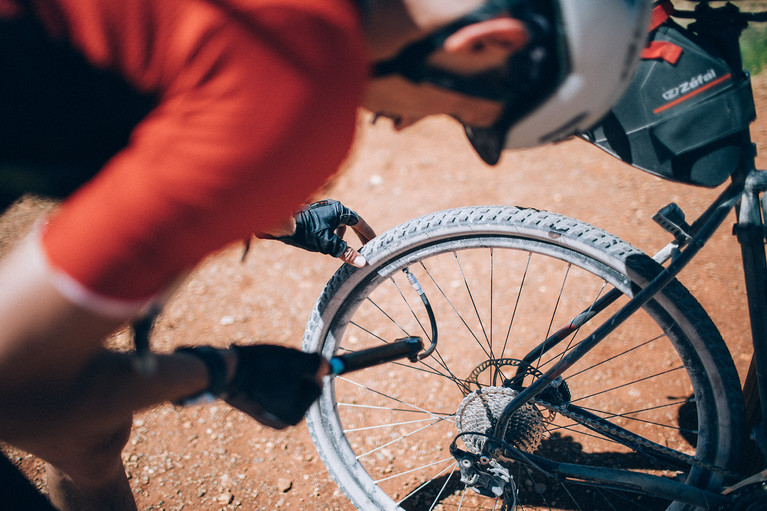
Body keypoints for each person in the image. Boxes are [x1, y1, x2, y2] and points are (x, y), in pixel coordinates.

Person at [0, 0, 652, 509]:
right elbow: (12, 387)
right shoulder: (309, 81)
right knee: (70, 414)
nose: (410, 123)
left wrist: (279, 216)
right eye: (475, 120)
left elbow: (181, 71)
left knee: (89, 436)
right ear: (487, 43)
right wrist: (223, 370)